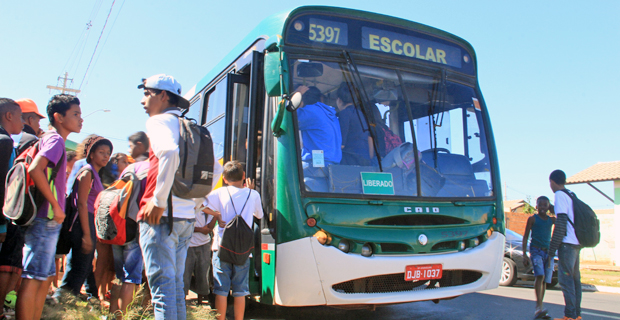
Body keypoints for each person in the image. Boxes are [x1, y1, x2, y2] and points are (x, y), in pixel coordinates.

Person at [16, 94, 82, 320]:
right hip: (46, 217)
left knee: (41, 276)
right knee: (34, 277)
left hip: (45, 217)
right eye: (75, 114)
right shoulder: (55, 141)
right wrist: (57, 205)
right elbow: (36, 169)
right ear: (58, 117)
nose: (80, 119)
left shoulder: (49, 139)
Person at [137, 74, 195, 320]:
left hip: (162, 218)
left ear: (163, 96)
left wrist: (159, 200)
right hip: (186, 218)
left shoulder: (158, 122)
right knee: (176, 288)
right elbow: (213, 170)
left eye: (147, 93)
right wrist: (196, 205)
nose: (142, 101)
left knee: (162, 290)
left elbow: (169, 153)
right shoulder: (191, 126)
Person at [54, 136, 112, 300]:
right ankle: (60, 302)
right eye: (101, 152)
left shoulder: (94, 173)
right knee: (79, 268)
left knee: (81, 265)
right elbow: (81, 204)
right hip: (82, 222)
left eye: (108, 153)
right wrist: (86, 235)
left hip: (87, 221)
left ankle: (64, 301)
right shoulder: (87, 172)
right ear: (91, 154)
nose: (106, 156)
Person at [204, 160, 263, 320]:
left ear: (224, 178)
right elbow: (259, 215)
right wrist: (250, 192)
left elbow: (199, 205)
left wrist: (216, 215)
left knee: (221, 291)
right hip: (243, 250)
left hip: (221, 247)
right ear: (244, 176)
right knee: (240, 291)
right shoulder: (253, 194)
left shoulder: (219, 193)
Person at [109, 161, 148, 319]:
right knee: (131, 277)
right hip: (134, 228)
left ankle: (113, 313)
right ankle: (124, 316)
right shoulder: (151, 170)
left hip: (116, 226)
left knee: (119, 276)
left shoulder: (129, 168)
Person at [0, 98, 24, 320]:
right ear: (8, 116)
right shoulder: (5, 141)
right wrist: (1, 223)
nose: (23, 122)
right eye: (20, 116)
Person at [548, 170, 582, 320]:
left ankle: (569, 316)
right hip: (576, 243)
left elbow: (561, 223)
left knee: (566, 281)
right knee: (575, 281)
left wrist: (552, 249)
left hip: (567, 245)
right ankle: (576, 315)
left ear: (552, 182)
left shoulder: (559, 195)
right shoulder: (570, 194)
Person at [523, 196, 555, 319]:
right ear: (536, 206)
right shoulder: (532, 219)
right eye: (540, 205)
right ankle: (538, 306)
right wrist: (525, 254)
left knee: (545, 279)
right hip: (536, 251)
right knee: (539, 275)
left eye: (545, 205)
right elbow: (525, 236)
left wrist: (553, 209)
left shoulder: (552, 220)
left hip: (548, 252)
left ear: (548, 206)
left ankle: (540, 307)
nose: (542, 207)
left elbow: (563, 219)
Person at [294, 86, 342, 168]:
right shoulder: (330, 114)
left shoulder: (312, 111)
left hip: (316, 165)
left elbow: (285, 116)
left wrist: (296, 95)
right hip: (333, 164)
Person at [183, 205, 216, 305]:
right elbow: (184, 226)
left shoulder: (207, 208)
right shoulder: (186, 207)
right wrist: (201, 230)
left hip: (204, 244)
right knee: (185, 274)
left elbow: (210, 227)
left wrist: (216, 215)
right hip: (188, 244)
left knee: (202, 274)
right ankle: (182, 300)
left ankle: (200, 301)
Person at [336, 83, 373, 166]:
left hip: (351, 159)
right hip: (365, 158)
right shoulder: (361, 114)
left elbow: (342, 144)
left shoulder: (344, 113)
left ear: (339, 100)